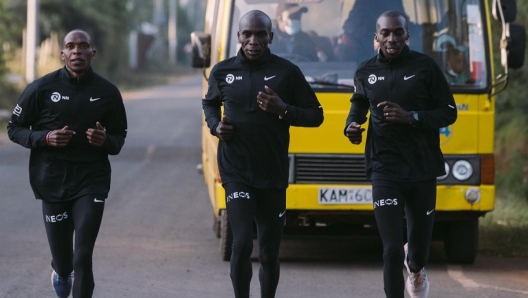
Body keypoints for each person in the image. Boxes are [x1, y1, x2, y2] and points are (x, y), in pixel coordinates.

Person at [202, 10, 323, 298]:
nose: (253, 40)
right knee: (242, 243)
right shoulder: (222, 71)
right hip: (236, 171)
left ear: (271, 36)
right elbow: (209, 104)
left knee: (268, 252)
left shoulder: (287, 72)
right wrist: (216, 126)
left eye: (260, 34)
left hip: (272, 172)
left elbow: (316, 115)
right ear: (239, 36)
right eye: (247, 34)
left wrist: (283, 109)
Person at [344, 11, 457, 298]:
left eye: (398, 33)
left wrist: (412, 117)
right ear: (376, 38)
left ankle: (416, 268)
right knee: (391, 248)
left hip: (421, 167)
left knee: (417, 250)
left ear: (407, 35)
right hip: (385, 168)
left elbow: (449, 113)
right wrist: (352, 126)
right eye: (386, 33)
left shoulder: (425, 67)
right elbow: (358, 105)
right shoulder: (365, 71)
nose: (392, 38)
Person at [7, 29, 127, 298]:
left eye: (83, 46)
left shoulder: (108, 93)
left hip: (91, 180)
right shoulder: (41, 88)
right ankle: (61, 272)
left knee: (82, 255)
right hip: (51, 180)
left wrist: (105, 140)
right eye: (70, 46)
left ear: (92, 53)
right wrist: (45, 137)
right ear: (62, 54)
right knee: (64, 263)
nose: (77, 51)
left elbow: (119, 140)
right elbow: (14, 128)